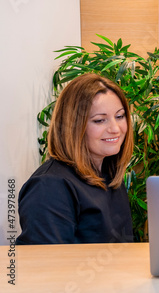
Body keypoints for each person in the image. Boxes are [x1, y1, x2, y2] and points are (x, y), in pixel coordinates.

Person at [17, 73, 134, 244]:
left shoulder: (110, 174)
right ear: (73, 125)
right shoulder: (49, 186)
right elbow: (46, 266)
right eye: (100, 120)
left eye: (119, 116)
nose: (115, 129)